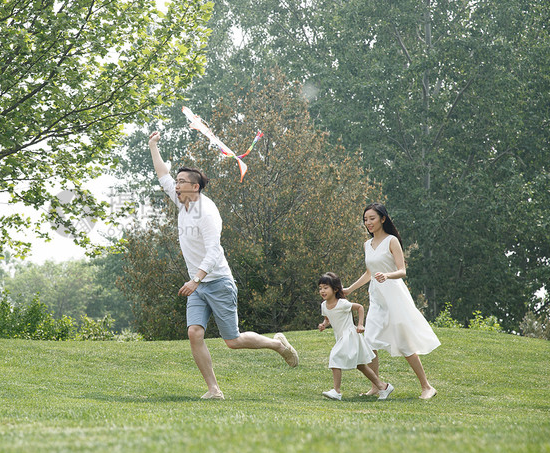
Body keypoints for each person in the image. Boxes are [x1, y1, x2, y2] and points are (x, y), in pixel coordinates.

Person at [148, 130, 299, 400]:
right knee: (195, 333)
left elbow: (214, 251)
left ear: (195, 187)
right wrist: (153, 145)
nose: (176, 185)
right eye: (177, 182)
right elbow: (163, 175)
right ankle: (213, 389)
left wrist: (195, 279)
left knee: (233, 341)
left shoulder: (207, 212)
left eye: (182, 182)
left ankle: (278, 345)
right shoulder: (183, 203)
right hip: (198, 285)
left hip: (217, 281)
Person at [345, 203, 440, 399]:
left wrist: (387, 276)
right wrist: (349, 289)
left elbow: (402, 271)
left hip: (395, 296)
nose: (368, 223)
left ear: (383, 219)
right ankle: (377, 386)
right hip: (377, 297)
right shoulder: (367, 245)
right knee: (369, 340)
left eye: (372, 218)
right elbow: (369, 273)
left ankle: (427, 387)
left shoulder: (392, 241)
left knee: (403, 342)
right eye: (365, 219)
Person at [317, 272, 393, 401]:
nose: (322, 291)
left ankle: (337, 391)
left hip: (350, 335)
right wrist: (324, 324)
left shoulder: (342, 303)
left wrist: (360, 325)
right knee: (361, 365)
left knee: (335, 357)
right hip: (341, 337)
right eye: (320, 288)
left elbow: (360, 307)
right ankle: (383, 387)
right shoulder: (324, 306)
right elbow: (327, 318)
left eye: (326, 288)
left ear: (335, 290)